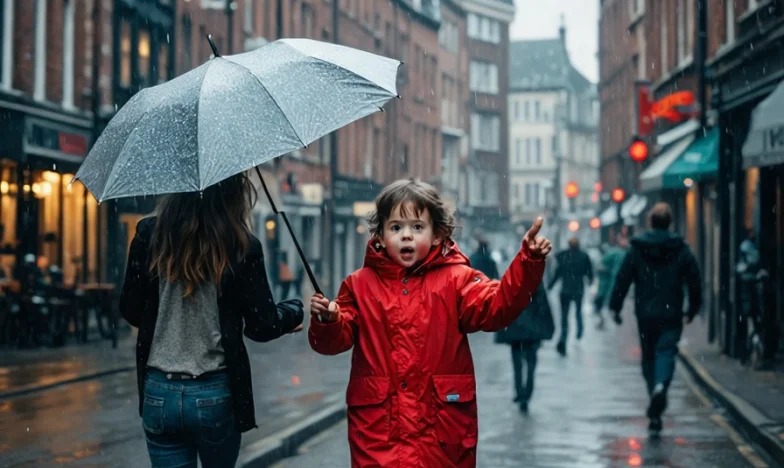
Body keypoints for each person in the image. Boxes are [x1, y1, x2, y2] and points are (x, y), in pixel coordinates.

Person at [308, 179, 551, 467]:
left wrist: (527, 261)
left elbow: (497, 306)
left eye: (417, 227)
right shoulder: (358, 285)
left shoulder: (457, 279)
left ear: (437, 235)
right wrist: (329, 320)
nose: (406, 236)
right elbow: (336, 340)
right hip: (378, 434)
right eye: (396, 227)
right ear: (381, 235)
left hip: (440, 432)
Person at [119, 172, 304, 468]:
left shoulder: (148, 234)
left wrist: (167, 312)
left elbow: (130, 310)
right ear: (232, 192)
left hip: (159, 393)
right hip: (213, 393)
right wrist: (294, 311)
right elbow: (262, 325)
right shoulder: (240, 245)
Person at [609, 202, 701, 436]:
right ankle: (661, 387)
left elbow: (623, 279)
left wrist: (615, 307)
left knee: (649, 356)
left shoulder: (637, 249)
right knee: (666, 352)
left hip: (646, 313)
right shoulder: (680, 248)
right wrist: (693, 307)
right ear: (669, 222)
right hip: (671, 312)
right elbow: (694, 279)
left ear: (650, 222)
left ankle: (655, 396)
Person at [494, 282, 554, 413]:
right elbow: (543, 307)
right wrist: (548, 329)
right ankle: (527, 394)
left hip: (515, 330)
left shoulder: (511, 280)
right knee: (531, 365)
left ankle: (520, 393)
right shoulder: (536, 281)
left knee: (517, 365)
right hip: (532, 332)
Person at [548, 237, 593, 356]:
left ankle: (563, 338)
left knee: (564, 317)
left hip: (565, 290)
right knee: (578, 312)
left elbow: (558, 272)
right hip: (578, 289)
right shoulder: (583, 256)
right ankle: (579, 331)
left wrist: (550, 286)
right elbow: (589, 272)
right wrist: (590, 281)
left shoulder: (563, 256)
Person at [593, 233, 629, 329]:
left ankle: (603, 318)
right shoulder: (617, 253)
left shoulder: (624, 253)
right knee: (604, 303)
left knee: (604, 303)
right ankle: (604, 318)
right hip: (609, 285)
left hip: (611, 285)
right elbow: (602, 266)